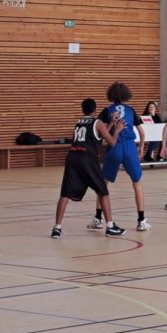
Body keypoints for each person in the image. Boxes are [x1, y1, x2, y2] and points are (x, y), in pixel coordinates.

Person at [52, 99, 126, 239]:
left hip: (72, 158)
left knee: (65, 194)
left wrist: (110, 123)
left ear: (82, 109)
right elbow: (111, 142)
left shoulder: (79, 122)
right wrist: (116, 130)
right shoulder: (97, 122)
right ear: (95, 110)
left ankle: (57, 228)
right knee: (103, 192)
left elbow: (97, 136)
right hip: (87, 160)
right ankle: (110, 226)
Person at [100, 81, 151, 231]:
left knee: (103, 184)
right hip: (129, 147)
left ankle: (98, 218)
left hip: (113, 145)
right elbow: (142, 132)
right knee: (137, 183)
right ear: (126, 94)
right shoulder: (130, 110)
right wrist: (141, 146)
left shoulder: (107, 110)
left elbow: (102, 131)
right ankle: (141, 221)